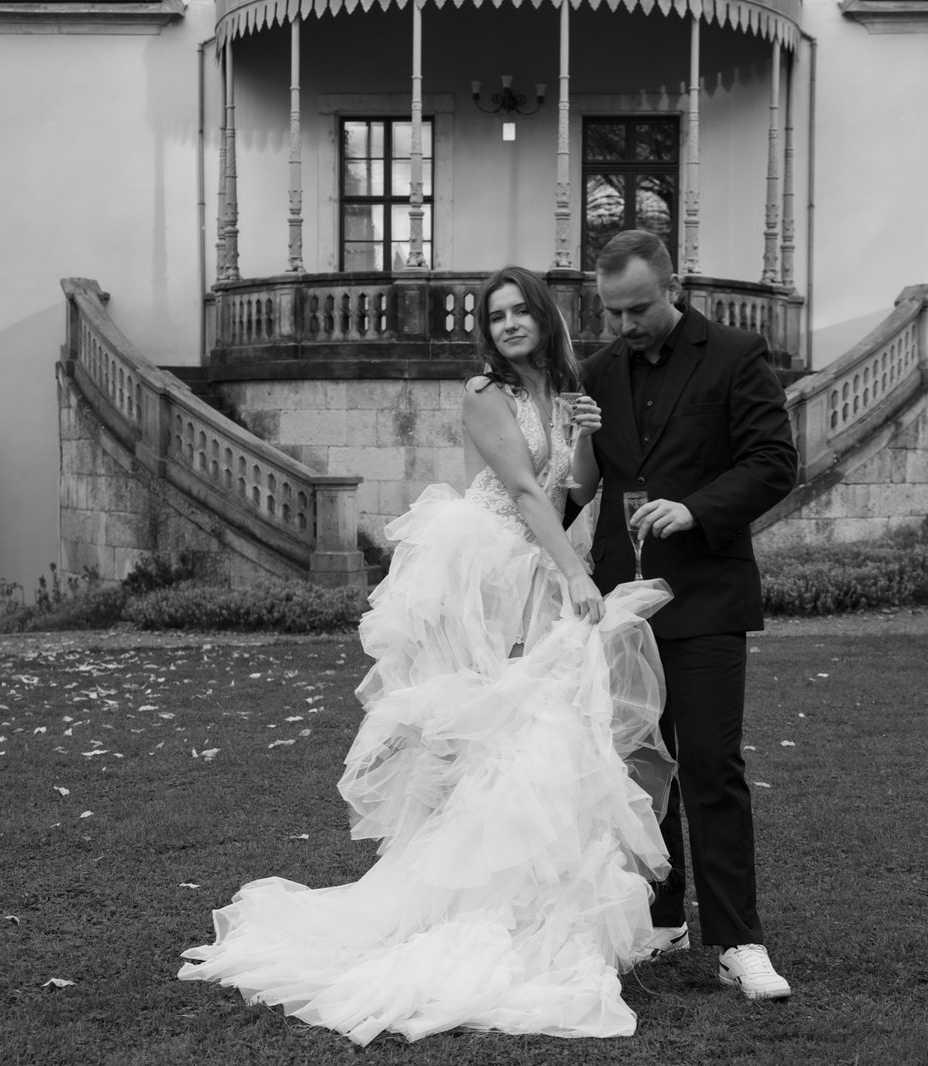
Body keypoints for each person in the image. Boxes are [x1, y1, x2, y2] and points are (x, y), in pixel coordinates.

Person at [179, 265, 676, 1043]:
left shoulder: (558, 387)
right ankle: (463, 903)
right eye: (497, 315)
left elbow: (577, 487)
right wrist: (575, 570)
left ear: (545, 318)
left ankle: (521, 900)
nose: (509, 324)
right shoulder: (485, 393)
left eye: (520, 312)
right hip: (482, 565)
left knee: (527, 727)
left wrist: (582, 429)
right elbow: (520, 490)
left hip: (534, 561)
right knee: (484, 730)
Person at [579, 230, 800, 1001]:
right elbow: (580, 485)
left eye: (636, 309)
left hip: (706, 597)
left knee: (710, 766)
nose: (622, 326)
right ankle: (663, 914)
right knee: (640, 771)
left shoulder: (737, 353)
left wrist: (696, 509)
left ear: (671, 288)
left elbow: (775, 462)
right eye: (610, 312)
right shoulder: (596, 372)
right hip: (622, 607)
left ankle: (739, 940)